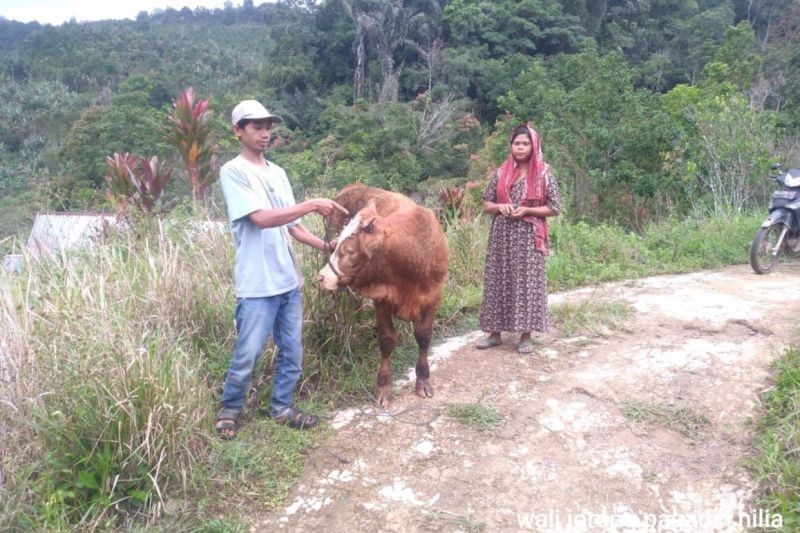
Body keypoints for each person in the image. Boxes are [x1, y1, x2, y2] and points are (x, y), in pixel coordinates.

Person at [215, 99, 347, 439]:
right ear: (237, 131)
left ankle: (282, 408)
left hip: (288, 281)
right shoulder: (233, 171)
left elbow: (293, 226)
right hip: (257, 284)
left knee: (292, 350)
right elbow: (260, 219)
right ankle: (230, 410)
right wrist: (311, 203)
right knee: (248, 351)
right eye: (256, 126)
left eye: (268, 126)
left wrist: (327, 248)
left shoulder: (279, 173)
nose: (264, 133)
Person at [474, 122, 561, 355]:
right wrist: (500, 206)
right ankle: (494, 334)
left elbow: (554, 207)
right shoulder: (501, 173)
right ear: (511, 146)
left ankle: (525, 336)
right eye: (516, 143)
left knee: (526, 283)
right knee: (498, 280)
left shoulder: (543, 174)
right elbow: (486, 204)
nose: (520, 147)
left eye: (525, 144)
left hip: (529, 237)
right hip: (502, 236)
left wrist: (527, 211)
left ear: (533, 146)